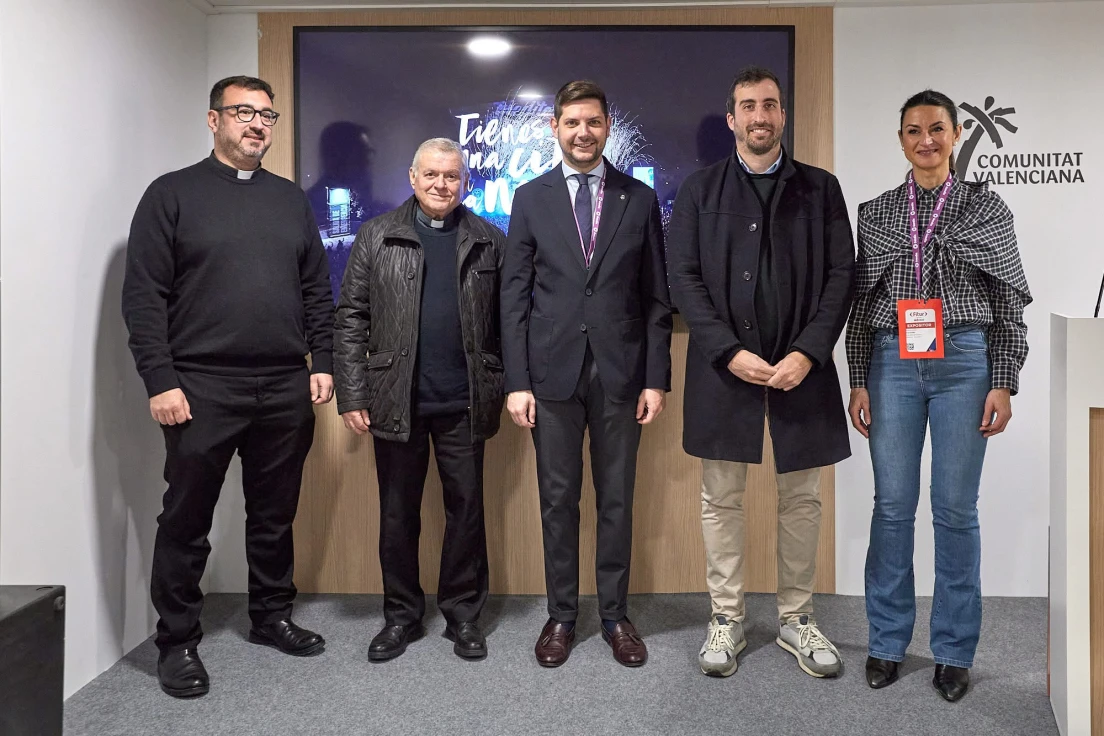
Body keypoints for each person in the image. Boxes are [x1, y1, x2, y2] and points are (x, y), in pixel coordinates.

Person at [122, 75, 334, 698]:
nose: (257, 123)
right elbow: (144, 297)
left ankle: (270, 616)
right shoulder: (171, 194)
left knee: (275, 513)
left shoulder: (290, 200)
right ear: (213, 120)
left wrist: (321, 360)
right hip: (200, 386)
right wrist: (160, 379)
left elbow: (316, 288)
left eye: (267, 115)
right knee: (187, 518)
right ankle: (177, 641)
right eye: (243, 112)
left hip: (284, 384)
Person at [667, 65, 855, 679]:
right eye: (748, 106)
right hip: (726, 370)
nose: (760, 116)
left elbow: (841, 277)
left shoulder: (821, 189)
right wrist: (726, 350)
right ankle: (727, 617)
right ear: (732, 119)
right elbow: (683, 279)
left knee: (802, 498)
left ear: (783, 115)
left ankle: (797, 617)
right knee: (720, 498)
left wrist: (808, 351)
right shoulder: (699, 191)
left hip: (804, 368)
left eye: (770, 105)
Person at [846, 89, 1031, 702]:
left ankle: (953, 651)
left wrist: (1003, 379)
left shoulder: (985, 207)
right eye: (913, 130)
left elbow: (1008, 302)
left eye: (936, 129)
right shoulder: (876, 213)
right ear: (901, 140)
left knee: (954, 511)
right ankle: (886, 641)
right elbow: (860, 305)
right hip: (892, 365)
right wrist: (858, 378)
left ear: (955, 135)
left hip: (965, 363)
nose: (925, 140)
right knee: (892, 508)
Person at [500, 80, 672, 668]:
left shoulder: (638, 198)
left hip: (622, 374)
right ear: (555, 127)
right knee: (558, 500)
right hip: (551, 376)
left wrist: (656, 378)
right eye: (572, 122)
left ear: (607, 126)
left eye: (593, 122)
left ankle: (616, 616)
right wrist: (517, 381)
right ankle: (561, 616)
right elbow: (513, 297)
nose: (583, 132)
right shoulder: (530, 198)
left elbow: (656, 298)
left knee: (617, 499)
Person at [334, 138, 506, 662]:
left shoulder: (489, 240)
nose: (441, 184)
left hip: (465, 401)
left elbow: (510, 321)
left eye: (451, 176)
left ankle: (463, 616)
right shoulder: (376, 235)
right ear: (412, 178)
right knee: (398, 514)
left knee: (466, 512)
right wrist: (352, 393)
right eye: (431, 174)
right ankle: (401, 617)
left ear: (465, 183)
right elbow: (350, 317)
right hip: (395, 400)